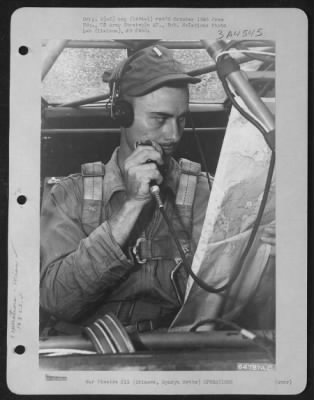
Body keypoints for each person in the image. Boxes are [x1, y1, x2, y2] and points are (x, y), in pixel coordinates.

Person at [40, 45, 275, 334]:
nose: (173, 135)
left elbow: (229, 295)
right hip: (89, 348)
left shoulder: (206, 193)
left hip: (178, 347)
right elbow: (57, 301)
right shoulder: (69, 194)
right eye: (159, 119)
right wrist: (132, 206)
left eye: (181, 119)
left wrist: (269, 255)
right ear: (121, 113)